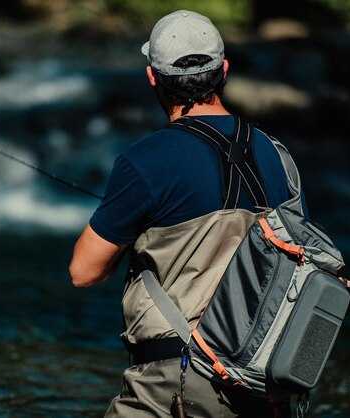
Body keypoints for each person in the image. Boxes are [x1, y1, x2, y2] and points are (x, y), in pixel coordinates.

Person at [69, 10, 304, 418]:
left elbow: (83, 271)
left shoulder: (147, 160)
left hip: (177, 381)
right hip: (269, 383)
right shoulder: (278, 156)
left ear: (152, 78)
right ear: (224, 70)